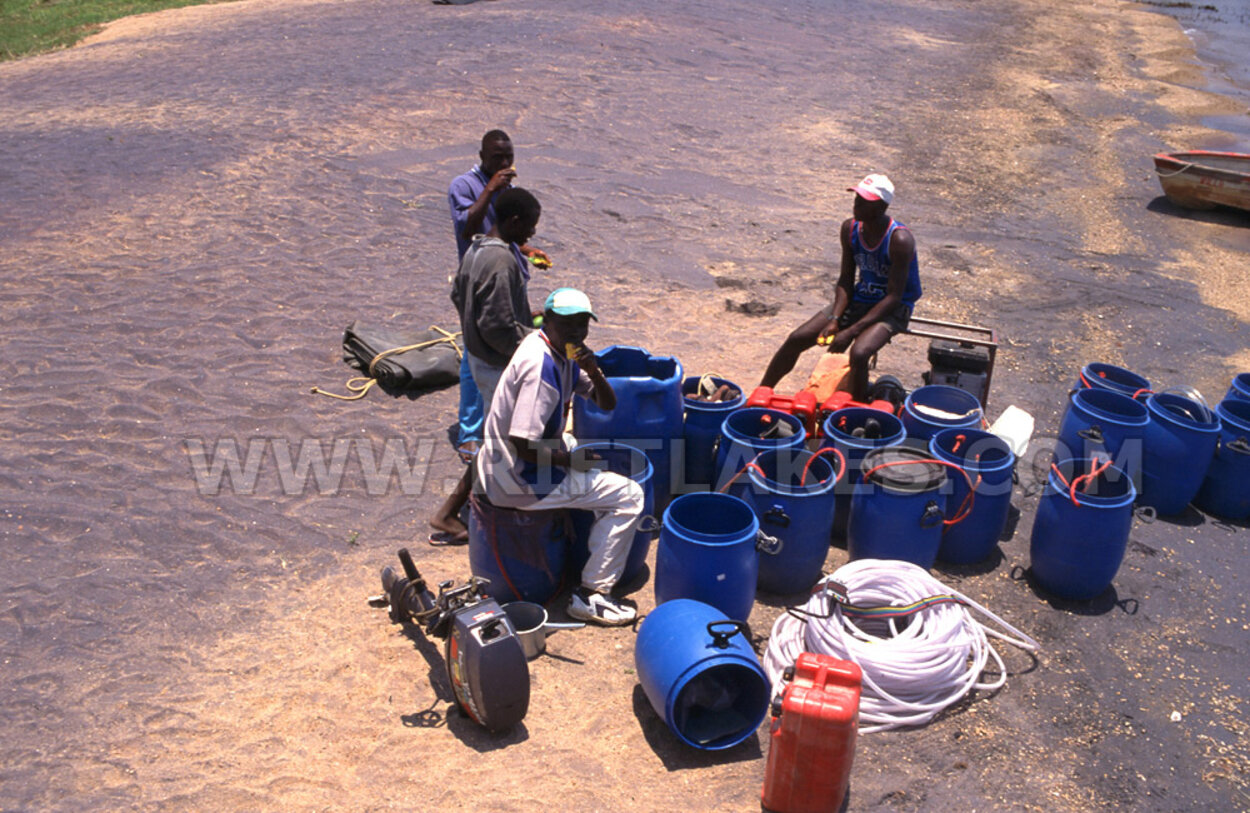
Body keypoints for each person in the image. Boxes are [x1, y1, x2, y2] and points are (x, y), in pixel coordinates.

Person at [475, 288, 643, 625]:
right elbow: (523, 443)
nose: (577, 332)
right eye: (568, 323)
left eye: (583, 324)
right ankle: (592, 594)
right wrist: (572, 463)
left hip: (503, 467)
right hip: (515, 479)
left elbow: (606, 403)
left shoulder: (559, 352)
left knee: (571, 440)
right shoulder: (541, 367)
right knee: (630, 496)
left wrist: (593, 370)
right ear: (547, 320)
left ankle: (577, 534)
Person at [429, 187, 543, 542]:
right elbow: (498, 328)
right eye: (529, 226)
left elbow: (461, 298)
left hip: (478, 359)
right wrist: (534, 341)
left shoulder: (476, 249)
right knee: (504, 443)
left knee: (496, 440)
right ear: (513, 220)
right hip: (496, 366)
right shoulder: (502, 262)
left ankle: (472, 507)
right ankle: (451, 514)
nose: (532, 235)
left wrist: (525, 317)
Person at [759, 173, 921, 402]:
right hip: (860, 299)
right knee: (797, 338)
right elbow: (845, 280)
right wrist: (835, 319)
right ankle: (762, 392)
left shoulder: (899, 240)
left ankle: (851, 410)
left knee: (860, 353)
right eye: (857, 198)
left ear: (882, 206)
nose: (857, 204)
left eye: (864, 201)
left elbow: (894, 297)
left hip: (892, 308)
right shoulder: (850, 229)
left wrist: (850, 331)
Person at [447, 130, 550, 463]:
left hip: (503, 271)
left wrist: (526, 248)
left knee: (476, 353)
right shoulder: (463, 186)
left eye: (509, 157)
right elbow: (468, 227)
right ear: (481, 155)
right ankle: (473, 436)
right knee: (478, 358)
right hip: (484, 275)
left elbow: (507, 230)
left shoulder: (510, 193)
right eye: (497, 158)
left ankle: (486, 438)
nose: (505, 164)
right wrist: (528, 344)